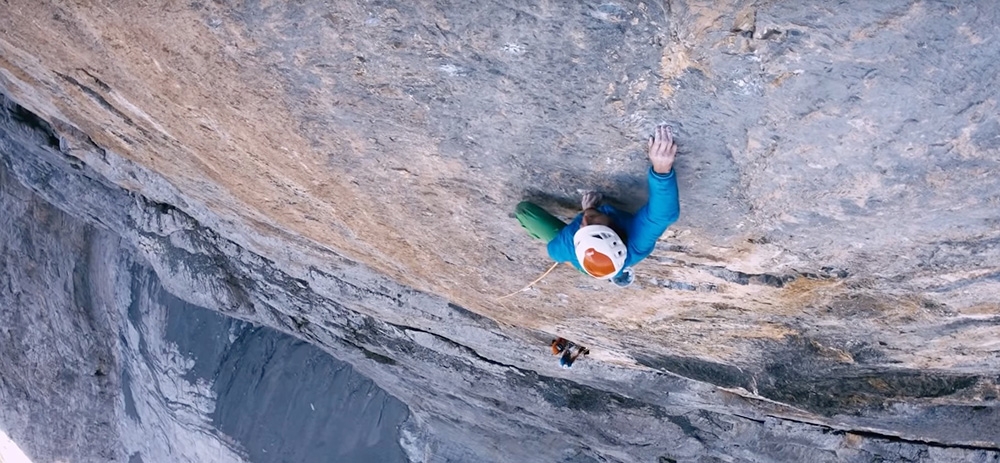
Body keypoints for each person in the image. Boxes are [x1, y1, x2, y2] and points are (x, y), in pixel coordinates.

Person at [515, 125, 680, 287]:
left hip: (583, 262)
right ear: (614, 229)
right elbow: (662, 215)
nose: (584, 219)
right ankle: (611, 273)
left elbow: (554, 253)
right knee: (602, 266)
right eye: (593, 222)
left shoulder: (571, 240)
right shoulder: (636, 245)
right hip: (588, 262)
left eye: (584, 226)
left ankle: (601, 272)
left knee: (524, 211)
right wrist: (661, 170)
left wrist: (588, 210)